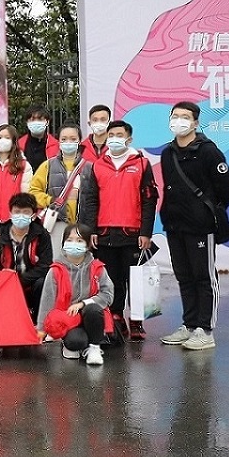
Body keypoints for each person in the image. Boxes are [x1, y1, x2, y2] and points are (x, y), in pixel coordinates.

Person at [158, 101, 229, 352]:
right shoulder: (168, 153)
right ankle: (189, 325)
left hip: (200, 226)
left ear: (195, 123)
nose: (179, 121)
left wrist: (207, 210)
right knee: (184, 276)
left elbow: (225, 187)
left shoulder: (208, 152)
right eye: (175, 116)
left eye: (185, 117)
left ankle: (205, 329)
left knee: (204, 276)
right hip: (175, 224)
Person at [77, 119, 157, 342]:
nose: (113, 139)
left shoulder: (141, 164)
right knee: (112, 279)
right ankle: (116, 316)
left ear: (129, 139)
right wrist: (92, 230)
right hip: (105, 234)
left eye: (119, 135)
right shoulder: (97, 165)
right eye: (110, 135)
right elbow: (91, 200)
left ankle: (137, 320)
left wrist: (146, 232)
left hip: (133, 233)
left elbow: (149, 200)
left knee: (135, 279)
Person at [36, 224, 114, 366]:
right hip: (68, 318)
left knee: (93, 309)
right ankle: (77, 343)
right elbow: (47, 301)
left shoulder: (97, 268)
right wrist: (42, 329)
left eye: (79, 240)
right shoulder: (55, 271)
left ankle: (94, 348)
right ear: (63, 243)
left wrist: (83, 303)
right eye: (70, 240)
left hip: (91, 317)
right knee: (75, 343)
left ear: (88, 244)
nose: (74, 244)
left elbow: (107, 295)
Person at [0, 192, 53, 317]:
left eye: (26, 212)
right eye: (17, 212)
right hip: (5, 283)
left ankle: (37, 320)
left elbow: (45, 265)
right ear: (10, 213)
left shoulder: (42, 235)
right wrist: (3, 273)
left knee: (42, 283)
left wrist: (20, 280)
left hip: (30, 283)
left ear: (33, 215)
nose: (21, 216)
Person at [29, 124, 92, 258]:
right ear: (58, 141)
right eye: (64, 139)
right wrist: (50, 200)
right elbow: (33, 191)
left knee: (81, 262)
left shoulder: (89, 167)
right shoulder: (48, 165)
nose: (68, 142)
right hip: (57, 222)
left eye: (73, 139)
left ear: (79, 141)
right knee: (56, 260)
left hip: (82, 224)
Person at [17, 107, 60, 172]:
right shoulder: (19, 145)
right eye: (32, 119)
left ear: (47, 122)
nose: (36, 122)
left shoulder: (56, 145)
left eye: (40, 119)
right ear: (27, 122)